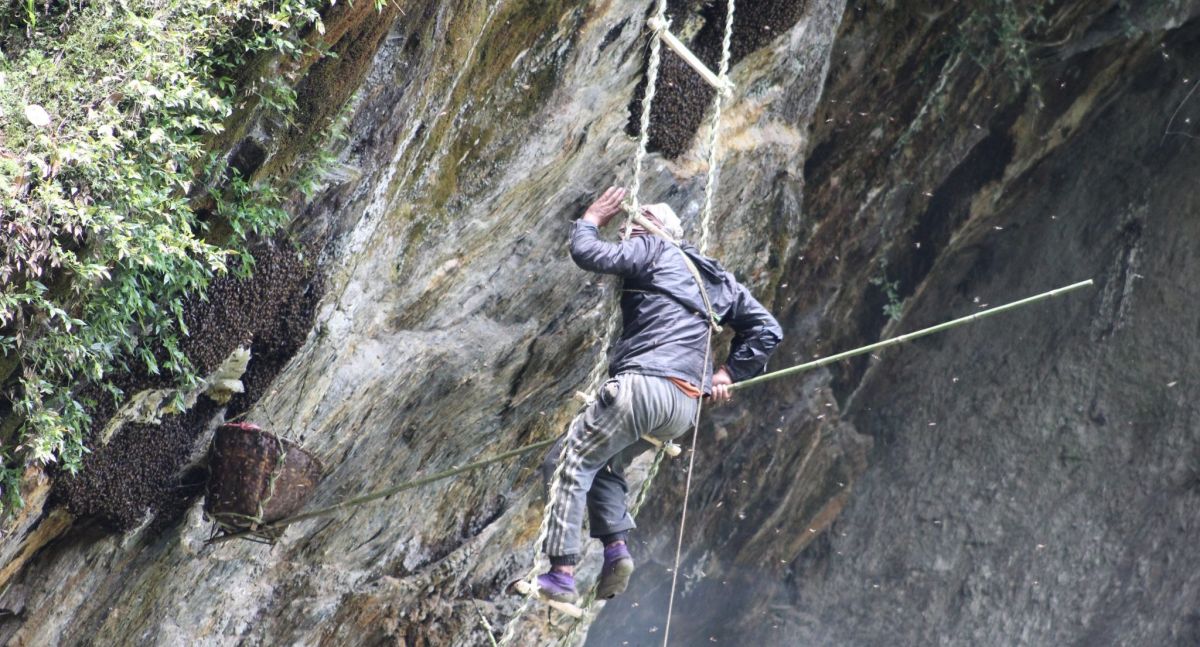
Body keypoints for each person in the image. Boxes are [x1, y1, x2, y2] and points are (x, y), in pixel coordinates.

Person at [537, 185, 783, 603]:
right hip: (683, 407)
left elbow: (591, 255)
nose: (628, 229)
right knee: (606, 466)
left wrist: (592, 219)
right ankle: (616, 550)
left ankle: (561, 573)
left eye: (637, 221)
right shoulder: (719, 279)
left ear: (657, 230)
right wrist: (726, 372)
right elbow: (768, 330)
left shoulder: (653, 249)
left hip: (643, 386)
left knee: (566, 461)